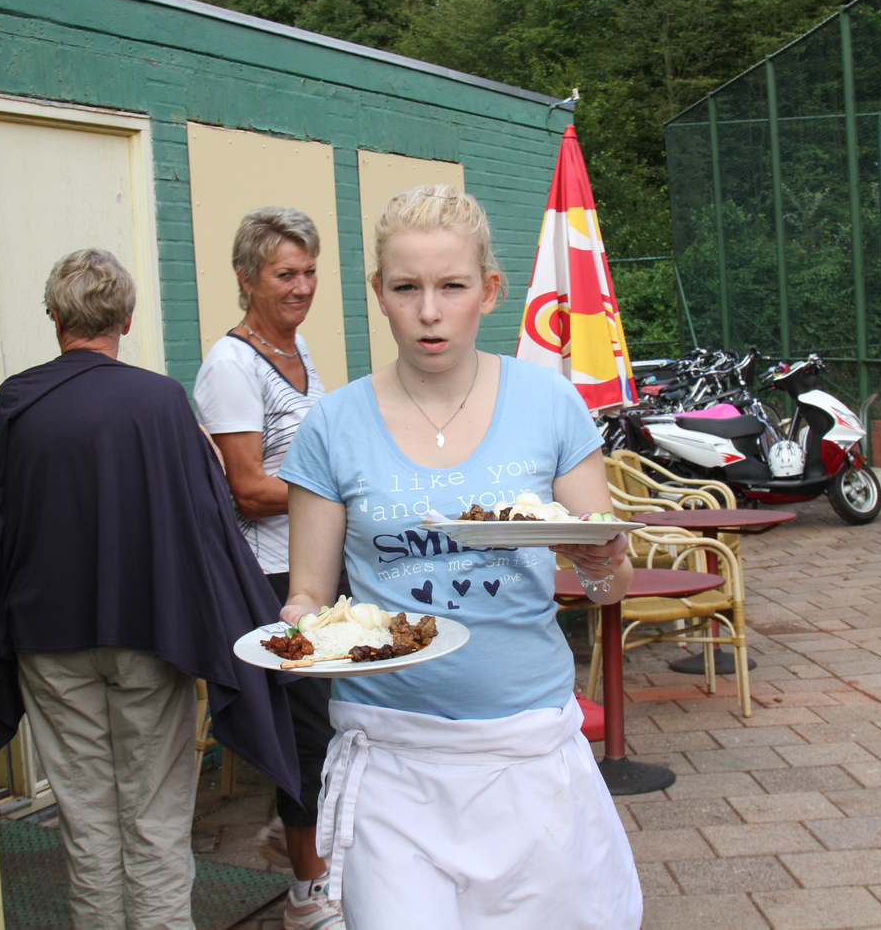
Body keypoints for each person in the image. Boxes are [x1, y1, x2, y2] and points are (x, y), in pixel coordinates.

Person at [276, 185, 643, 926]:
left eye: (452, 286)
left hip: (528, 747)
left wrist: (601, 558)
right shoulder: (332, 425)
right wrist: (297, 632)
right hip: (389, 755)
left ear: (490, 290)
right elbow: (308, 594)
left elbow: (609, 588)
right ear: (378, 293)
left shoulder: (550, 404)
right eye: (405, 288)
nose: (429, 311)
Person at [0, 248, 298, 930]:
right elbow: (206, 520)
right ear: (126, 318)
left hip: (46, 639)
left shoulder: (13, 404)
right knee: (155, 816)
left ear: (55, 317)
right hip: (152, 633)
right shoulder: (159, 401)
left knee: (86, 818)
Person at [193, 207, 344, 930]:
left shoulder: (298, 347)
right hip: (270, 577)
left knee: (332, 721)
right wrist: (339, 491)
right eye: (285, 274)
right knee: (308, 729)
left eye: (309, 271)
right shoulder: (230, 366)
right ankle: (306, 891)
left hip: (314, 561)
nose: (302, 287)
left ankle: (299, 836)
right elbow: (249, 489)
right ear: (246, 278)